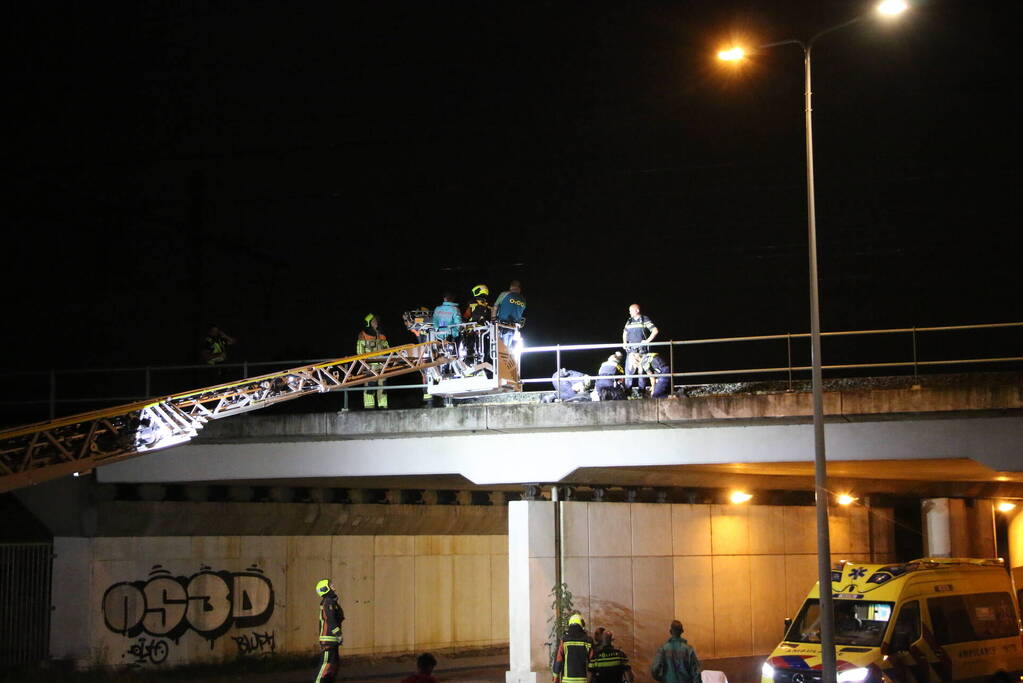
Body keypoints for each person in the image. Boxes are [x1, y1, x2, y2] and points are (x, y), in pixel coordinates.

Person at [622, 304, 658, 394]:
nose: (629, 312)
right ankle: (627, 392)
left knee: (641, 371)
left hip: (642, 350)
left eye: (631, 310)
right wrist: (625, 343)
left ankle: (641, 392)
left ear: (637, 310)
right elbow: (624, 333)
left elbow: (655, 330)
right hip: (631, 350)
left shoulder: (644, 319)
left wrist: (647, 341)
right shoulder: (629, 321)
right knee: (629, 372)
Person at [356, 313, 390, 409]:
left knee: (383, 386)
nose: (376, 323)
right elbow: (359, 351)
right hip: (369, 366)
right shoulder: (363, 334)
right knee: (369, 387)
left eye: (376, 321)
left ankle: (383, 405)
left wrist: (387, 359)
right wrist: (364, 363)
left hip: (382, 365)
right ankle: (369, 406)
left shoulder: (382, 333)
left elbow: (388, 348)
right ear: (368, 323)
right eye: (373, 321)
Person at [314, 579, 345, 683]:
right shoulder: (328, 602)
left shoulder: (332, 602)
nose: (333, 587)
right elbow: (330, 619)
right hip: (328, 640)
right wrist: (338, 634)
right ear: (325, 589)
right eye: (330, 585)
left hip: (333, 640)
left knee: (333, 666)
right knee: (325, 666)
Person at [552, 613, 592, 683]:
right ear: (581, 624)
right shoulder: (588, 641)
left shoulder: (564, 640)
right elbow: (592, 661)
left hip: (567, 680)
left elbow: (559, 660)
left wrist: (555, 676)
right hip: (582, 680)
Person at [493, 280, 526, 347]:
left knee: (500, 348)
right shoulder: (523, 300)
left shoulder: (504, 294)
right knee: (510, 348)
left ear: (511, 287)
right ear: (519, 289)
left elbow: (495, 307)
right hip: (515, 328)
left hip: (502, 325)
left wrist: (493, 319)